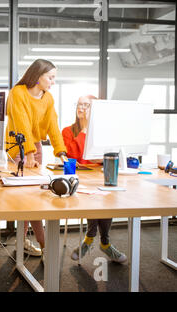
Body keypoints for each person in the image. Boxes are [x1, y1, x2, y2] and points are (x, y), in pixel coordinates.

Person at [5, 59, 67, 260]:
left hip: (35, 148)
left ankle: (22, 242)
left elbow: (53, 126)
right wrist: (28, 155)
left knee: (31, 199)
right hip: (17, 147)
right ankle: (44, 245)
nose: (53, 82)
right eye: (51, 77)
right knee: (29, 200)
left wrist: (61, 153)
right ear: (38, 75)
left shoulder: (47, 98)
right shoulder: (18, 92)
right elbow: (21, 123)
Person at [62, 95, 127, 263]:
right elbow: (73, 156)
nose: (81, 108)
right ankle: (97, 240)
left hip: (99, 177)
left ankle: (97, 241)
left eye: (86, 105)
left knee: (107, 194)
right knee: (97, 197)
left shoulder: (103, 132)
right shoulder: (68, 131)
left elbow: (106, 156)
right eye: (79, 104)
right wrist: (85, 130)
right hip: (80, 179)